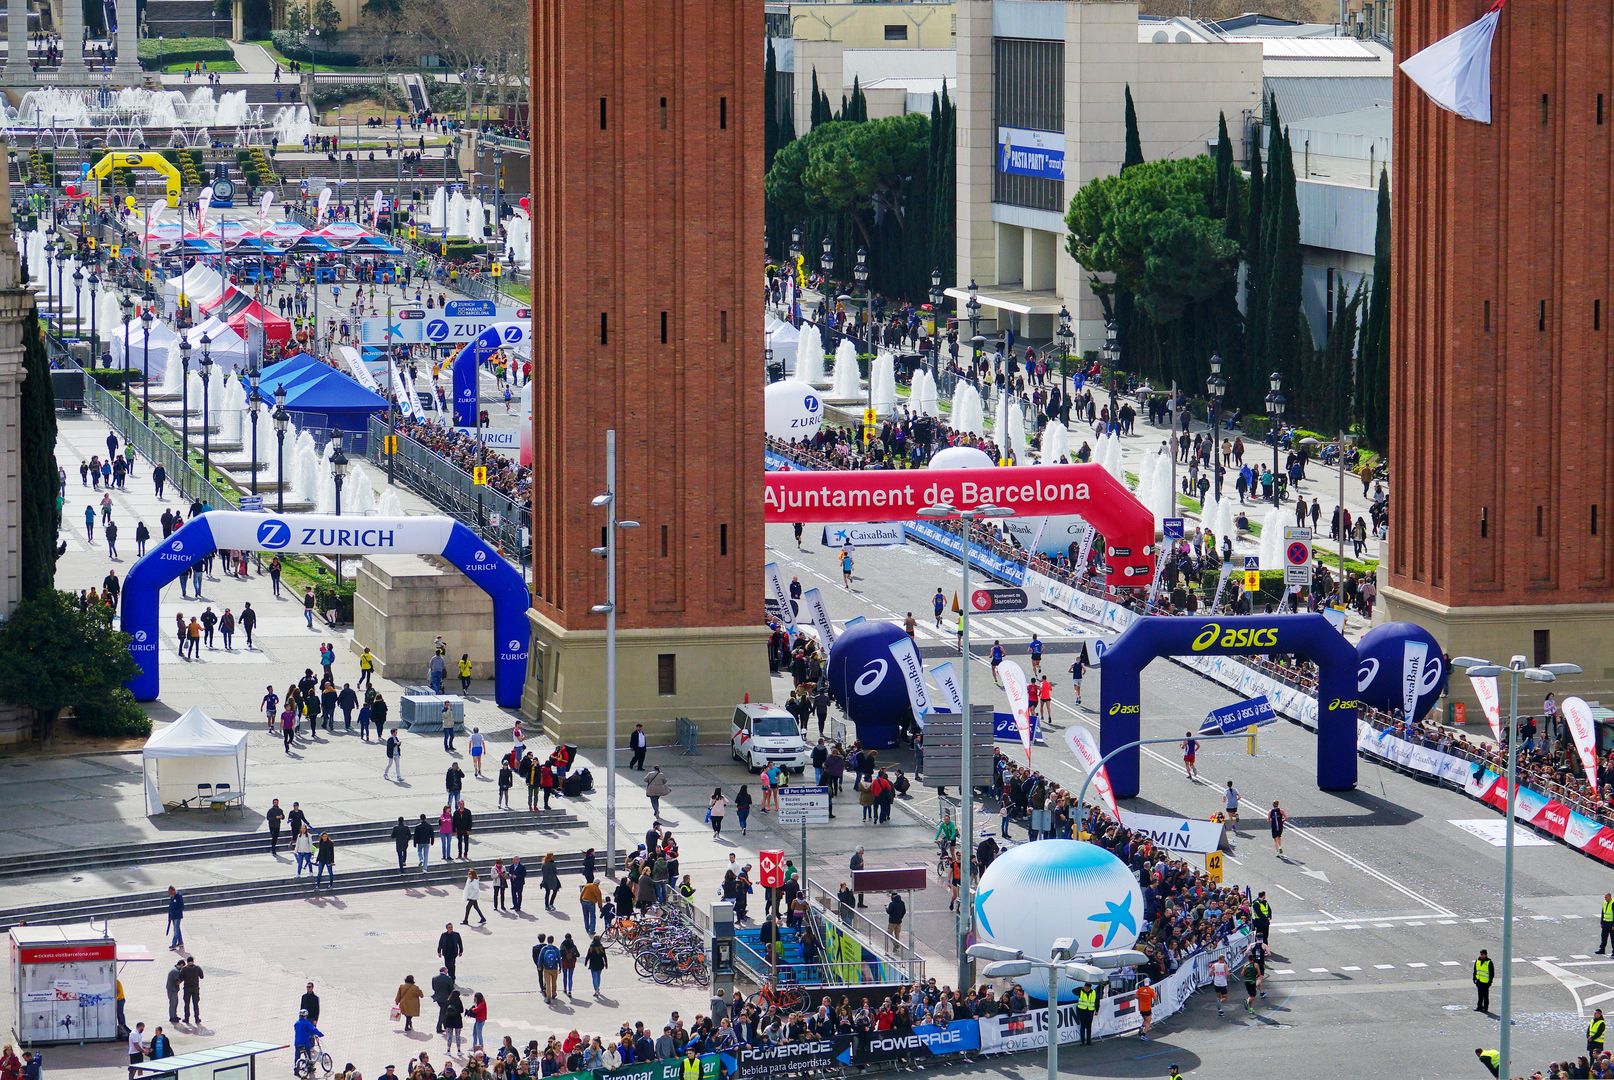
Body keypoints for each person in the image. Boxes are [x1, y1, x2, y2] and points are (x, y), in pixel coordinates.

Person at [179, 956, 203, 1023]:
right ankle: (197, 1019)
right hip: (195, 989)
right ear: (193, 961)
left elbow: (180, 978)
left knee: (186, 1004)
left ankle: (186, 1018)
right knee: (195, 1004)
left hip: (187, 989)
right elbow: (202, 977)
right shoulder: (197, 968)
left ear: (187, 962)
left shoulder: (184, 969)